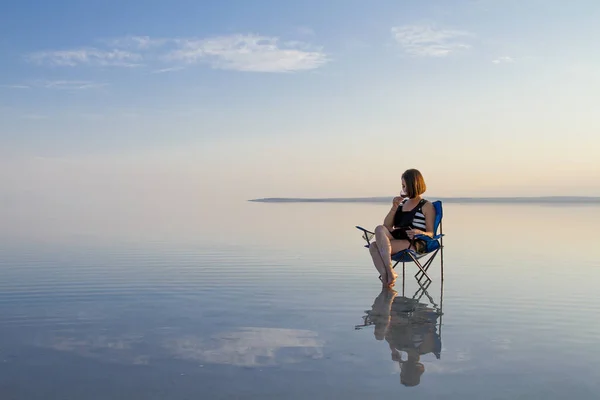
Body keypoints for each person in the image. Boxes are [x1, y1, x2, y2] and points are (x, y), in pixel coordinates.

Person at [368, 169, 436, 287]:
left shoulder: (426, 206)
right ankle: (388, 275)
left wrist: (419, 232)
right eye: (402, 186)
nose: (403, 189)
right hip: (397, 236)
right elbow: (387, 226)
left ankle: (387, 277)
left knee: (375, 247)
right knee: (379, 229)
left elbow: (431, 233)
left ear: (413, 185)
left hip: (413, 242)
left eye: (405, 186)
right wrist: (394, 207)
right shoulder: (402, 203)